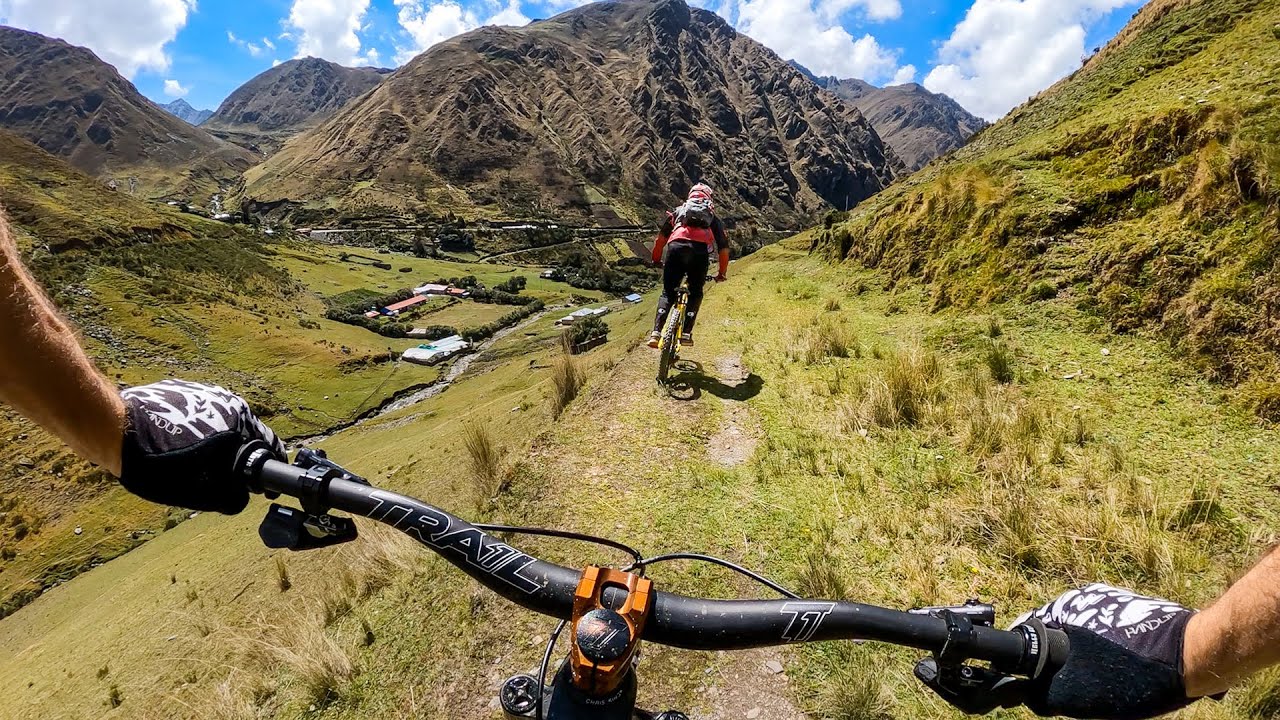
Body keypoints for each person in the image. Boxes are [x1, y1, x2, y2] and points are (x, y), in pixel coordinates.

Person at [1, 204, 1279, 719]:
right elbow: (709, 257)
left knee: (661, 313)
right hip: (685, 289)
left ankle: (659, 339)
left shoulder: (674, 224)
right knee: (682, 314)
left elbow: (684, 251)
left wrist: (117, 432)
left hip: (647, 287)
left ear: (679, 220)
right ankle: (675, 342)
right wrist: (1188, 654)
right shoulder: (703, 230)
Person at [647, 183, 729, 349]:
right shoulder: (712, 217)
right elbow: (724, 248)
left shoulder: (678, 212)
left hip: (675, 249)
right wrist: (721, 273)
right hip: (699, 254)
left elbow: (660, 240)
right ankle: (685, 334)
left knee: (668, 293)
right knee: (696, 292)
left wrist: (656, 259)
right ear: (708, 199)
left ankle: (656, 333)